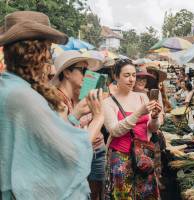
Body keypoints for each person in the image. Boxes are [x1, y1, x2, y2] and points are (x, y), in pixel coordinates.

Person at [0, 11, 95, 199]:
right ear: (37, 52)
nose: (49, 56)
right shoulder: (21, 96)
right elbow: (69, 152)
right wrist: (98, 117)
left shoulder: (10, 86)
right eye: (48, 49)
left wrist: (73, 115)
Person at [103, 59, 162, 200]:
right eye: (126, 75)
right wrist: (138, 113)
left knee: (145, 194)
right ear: (116, 77)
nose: (131, 79)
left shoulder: (142, 97)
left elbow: (152, 128)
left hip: (143, 155)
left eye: (134, 75)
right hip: (120, 157)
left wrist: (154, 117)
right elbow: (114, 130)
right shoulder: (108, 102)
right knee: (123, 195)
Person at [51, 50, 106, 200]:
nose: (87, 75)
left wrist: (77, 115)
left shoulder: (65, 99)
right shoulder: (57, 100)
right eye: (83, 70)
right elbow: (72, 145)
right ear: (67, 72)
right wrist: (98, 118)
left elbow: (67, 130)